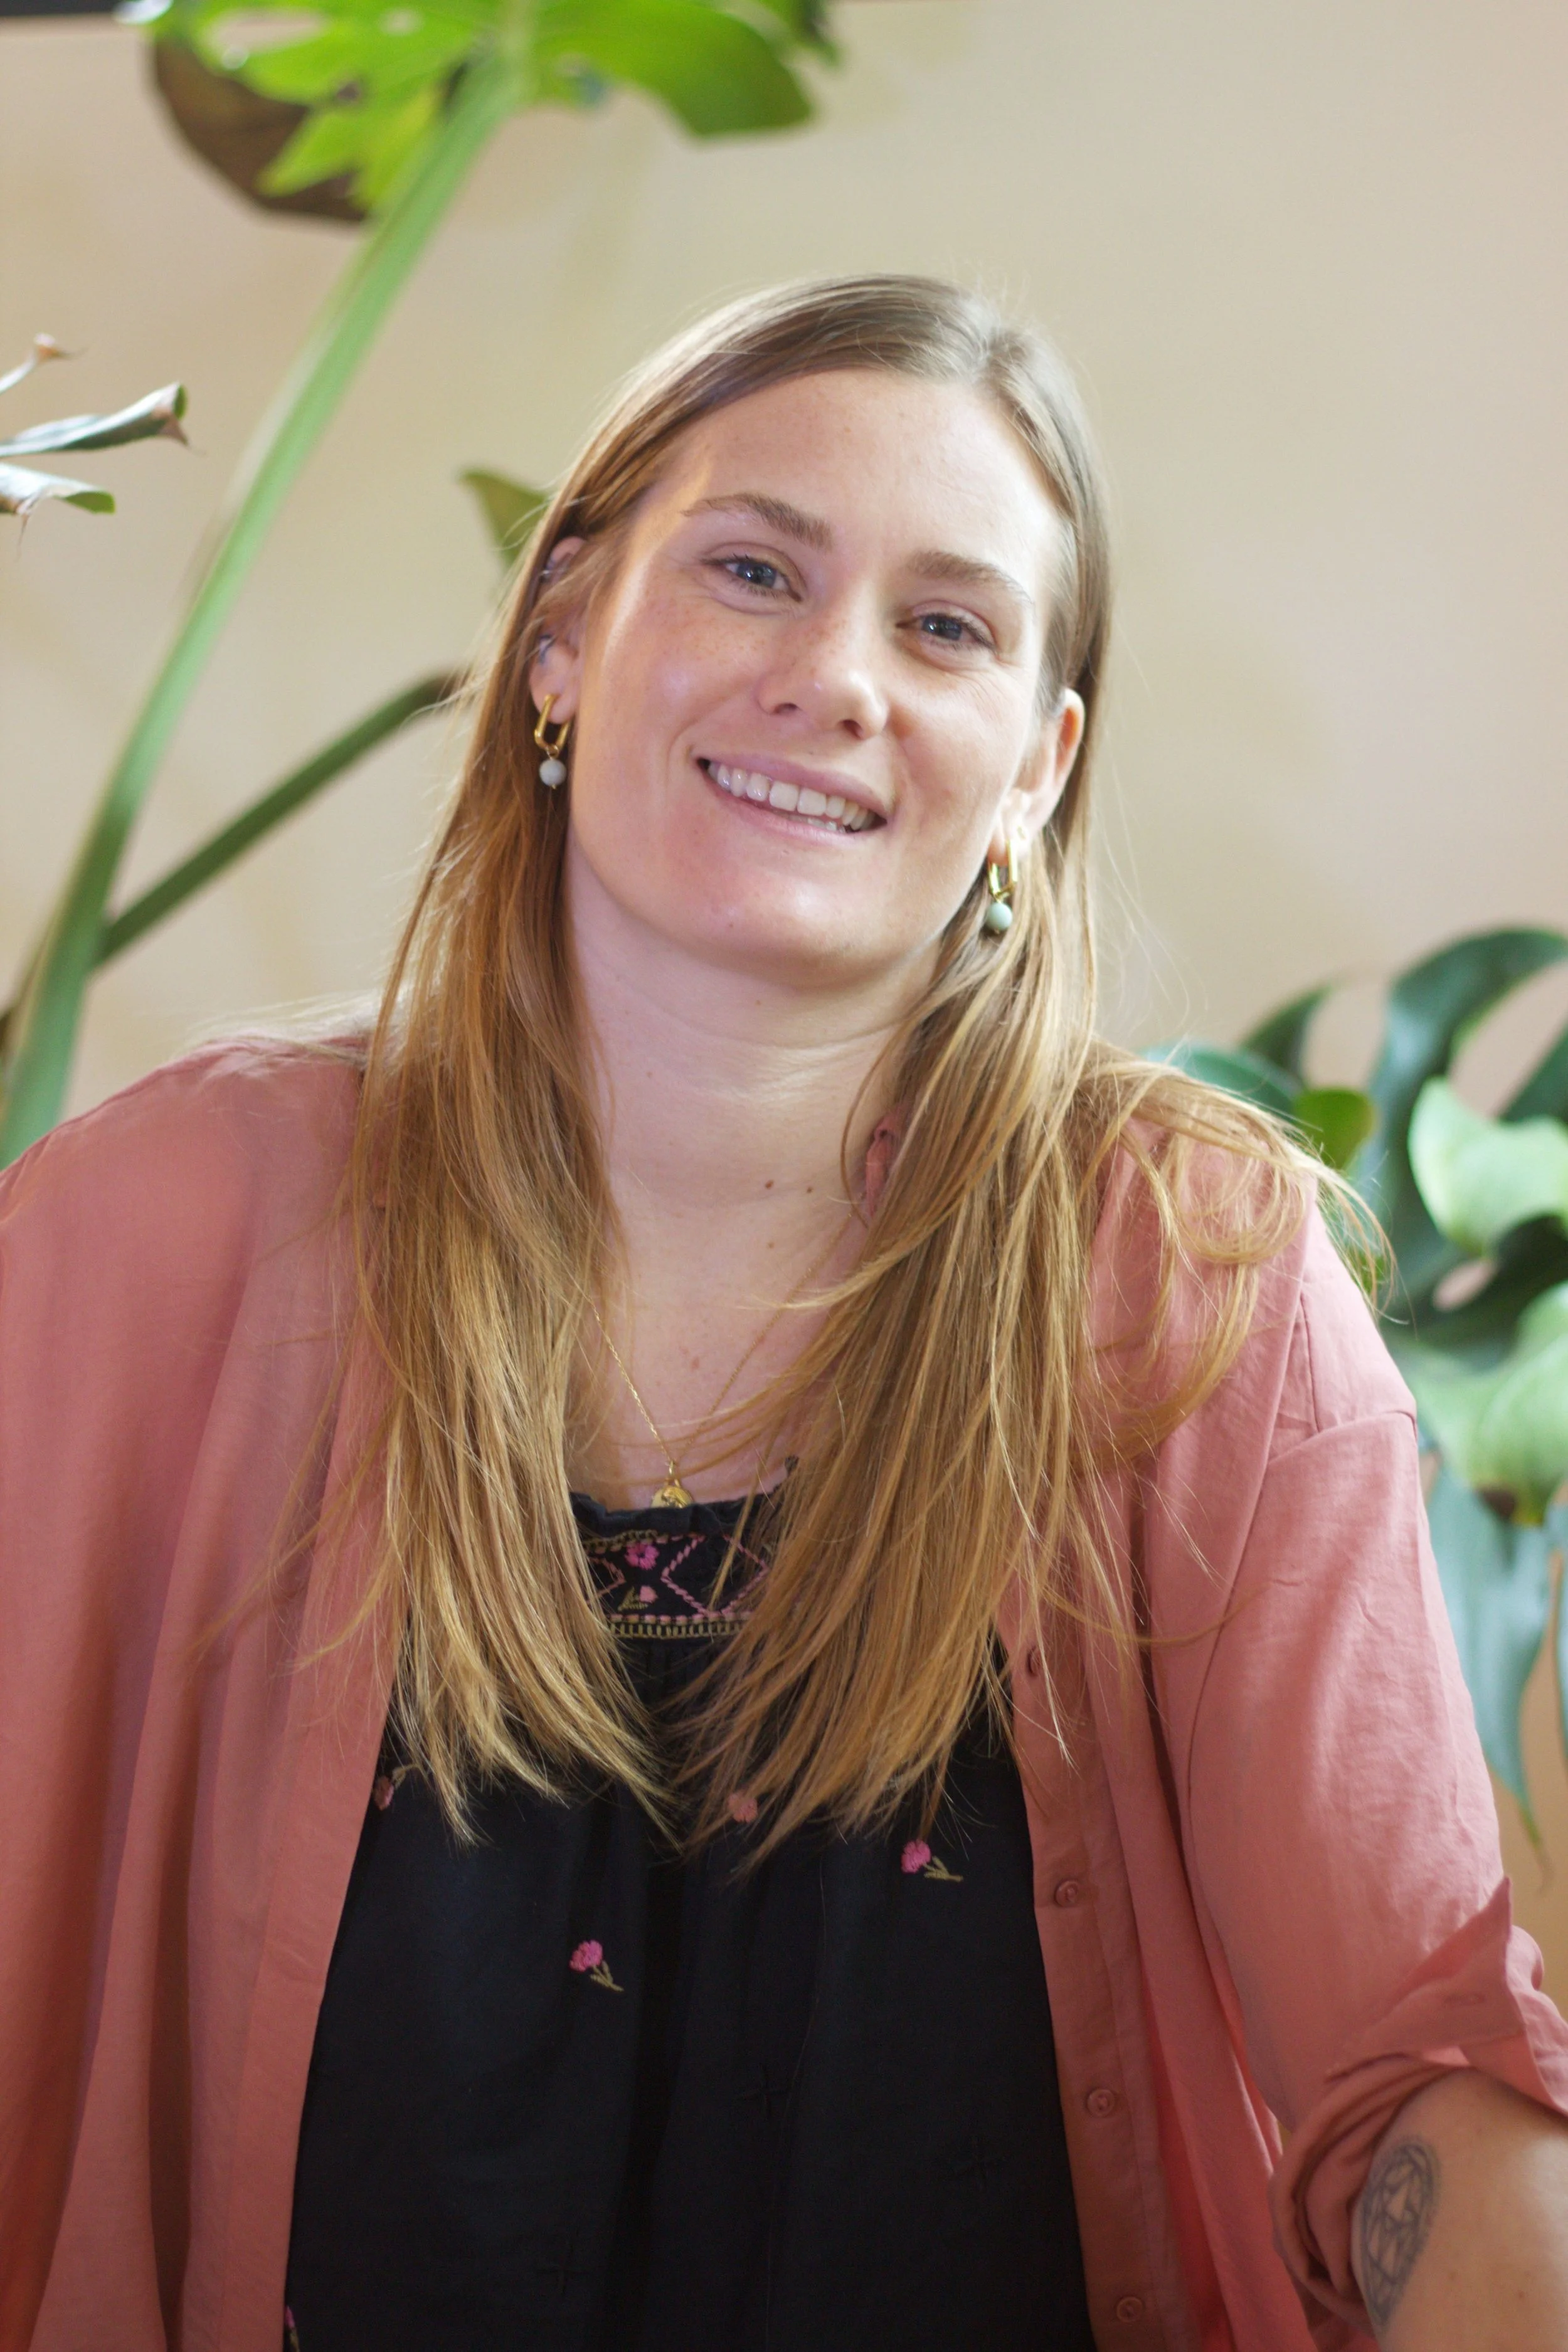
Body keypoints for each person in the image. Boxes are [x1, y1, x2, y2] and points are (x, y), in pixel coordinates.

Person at [1, 275, 1565, 2352]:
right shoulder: (147, 1231)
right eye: (753, 569)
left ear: (1036, 766)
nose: (833, 679)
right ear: (562, 634)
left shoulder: (1187, 1279)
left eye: (947, 627)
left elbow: (1412, 2059)